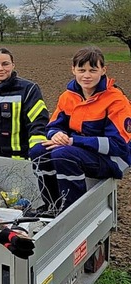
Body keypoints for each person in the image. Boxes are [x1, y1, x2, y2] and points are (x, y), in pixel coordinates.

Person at [29, 46, 131, 214]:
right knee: (39, 151)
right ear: (73, 70)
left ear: (103, 70)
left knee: (64, 155)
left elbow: (118, 144)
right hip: (80, 150)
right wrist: (57, 134)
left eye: (93, 70)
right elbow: (53, 125)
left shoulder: (116, 100)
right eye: (81, 70)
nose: (86, 75)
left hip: (113, 158)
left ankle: (72, 211)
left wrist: (73, 141)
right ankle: (51, 206)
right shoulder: (68, 96)